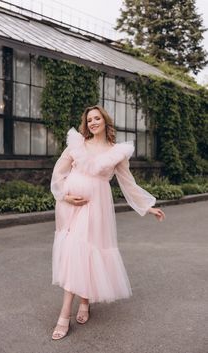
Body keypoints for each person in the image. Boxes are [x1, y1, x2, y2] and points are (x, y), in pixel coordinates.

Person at [50, 105, 165, 340]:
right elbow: (58, 172)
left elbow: (128, 183)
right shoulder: (77, 143)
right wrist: (65, 196)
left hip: (97, 207)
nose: (92, 122)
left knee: (86, 250)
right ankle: (68, 312)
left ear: (105, 121)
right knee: (75, 251)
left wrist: (147, 206)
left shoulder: (116, 152)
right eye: (89, 119)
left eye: (96, 118)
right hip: (71, 206)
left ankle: (80, 305)